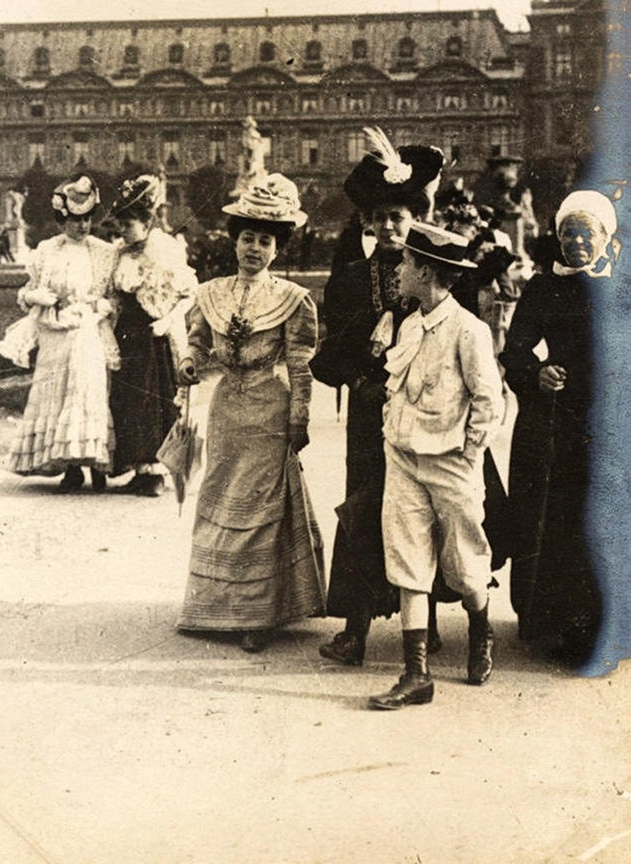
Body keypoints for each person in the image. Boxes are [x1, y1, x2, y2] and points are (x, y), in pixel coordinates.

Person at [311, 127, 444, 666]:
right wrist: (363, 365)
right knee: (364, 511)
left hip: (424, 413)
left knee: (423, 510)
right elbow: (333, 349)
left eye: (399, 216)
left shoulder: (434, 276)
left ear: (414, 219)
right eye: (380, 217)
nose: (390, 226)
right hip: (370, 412)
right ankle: (356, 628)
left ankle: (427, 620)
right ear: (367, 221)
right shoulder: (347, 279)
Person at [176, 173, 324, 653]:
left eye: (264, 240)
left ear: (277, 248)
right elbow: (197, 342)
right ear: (233, 241)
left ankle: (256, 616)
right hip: (226, 411)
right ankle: (211, 608)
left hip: (268, 409)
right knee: (219, 501)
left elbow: (300, 367)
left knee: (259, 512)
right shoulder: (211, 292)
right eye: (246, 238)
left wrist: (299, 419)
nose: (253, 248)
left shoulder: (292, 300)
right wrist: (188, 362)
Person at [369, 222, 504, 709]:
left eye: (405, 264)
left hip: (451, 463)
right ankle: (416, 673)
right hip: (403, 458)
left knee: (466, 564)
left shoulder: (469, 330)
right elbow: (397, 386)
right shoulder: (408, 324)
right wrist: (392, 431)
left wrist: (469, 453)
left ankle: (480, 631)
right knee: (407, 561)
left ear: (425, 272)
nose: (398, 270)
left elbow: (490, 400)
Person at [499, 190, 618, 667]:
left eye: (586, 232)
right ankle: (570, 629)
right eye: (567, 232)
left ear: (607, 239)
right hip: (563, 423)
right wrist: (536, 374)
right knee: (568, 524)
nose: (576, 241)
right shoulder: (546, 288)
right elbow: (514, 351)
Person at [6, 174, 120, 491]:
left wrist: (100, 307)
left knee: (89, 392)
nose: (82, 227)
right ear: (62, 219)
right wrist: (42, 298)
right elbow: (27, 293)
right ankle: (71, 468)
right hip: (56, 331)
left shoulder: (104, 251)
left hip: (89, 329)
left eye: (87, 220)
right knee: (58, 396)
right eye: (75, 220)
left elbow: (113, 296)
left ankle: (96, 463)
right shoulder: (46, 251)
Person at [109, 175, 198, 496]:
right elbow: (115, 294)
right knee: (128, 399)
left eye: (128, 224)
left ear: (146, 222)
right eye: (120, 225)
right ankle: (137, 468)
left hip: (153, 334)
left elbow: (189, 293)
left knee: (153, 400)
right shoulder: (120, 251)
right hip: (127, 332)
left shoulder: (164, 250)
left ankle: (156, 472)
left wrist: (169, 320)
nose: (122, 231)